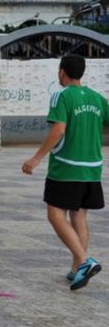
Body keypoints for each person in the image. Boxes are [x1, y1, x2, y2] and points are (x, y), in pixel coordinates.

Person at [22, 54, 109, 291]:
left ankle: (84, 261)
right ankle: (76, 270)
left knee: (55, 214)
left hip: (66, 167)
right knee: (79, 216)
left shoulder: (61, 95)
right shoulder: (97, 98)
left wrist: (36, 157)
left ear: (62, 71)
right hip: (92, 169)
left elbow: (58, 130)